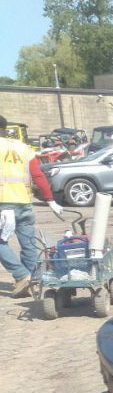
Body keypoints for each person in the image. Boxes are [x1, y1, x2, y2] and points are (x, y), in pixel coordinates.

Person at [0, 114, 64, 297]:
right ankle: (34, 280)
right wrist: (50, 200)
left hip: (3, 204)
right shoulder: (22, 147)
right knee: (28, 243)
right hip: (24, 203)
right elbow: (37, 175)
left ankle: (22, 276)